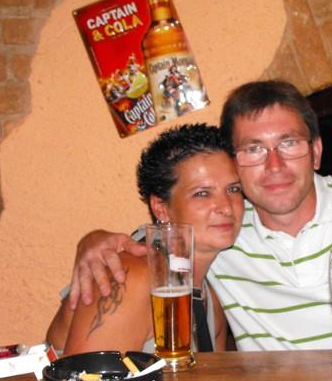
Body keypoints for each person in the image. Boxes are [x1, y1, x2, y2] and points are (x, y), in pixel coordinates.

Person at [66, 81, 332, 351]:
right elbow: (157, 240)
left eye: (289, 144)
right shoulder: (224, 229)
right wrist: (94, 241)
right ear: (235, 162)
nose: (274, 165)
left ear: (316, 151)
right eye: (254, 149)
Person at [46, 124, 243, 354]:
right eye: (202, 193)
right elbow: (86, 377)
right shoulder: (132, 278)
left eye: (234, 189)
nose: (226, 207)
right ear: (161, 208)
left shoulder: (210, 300)